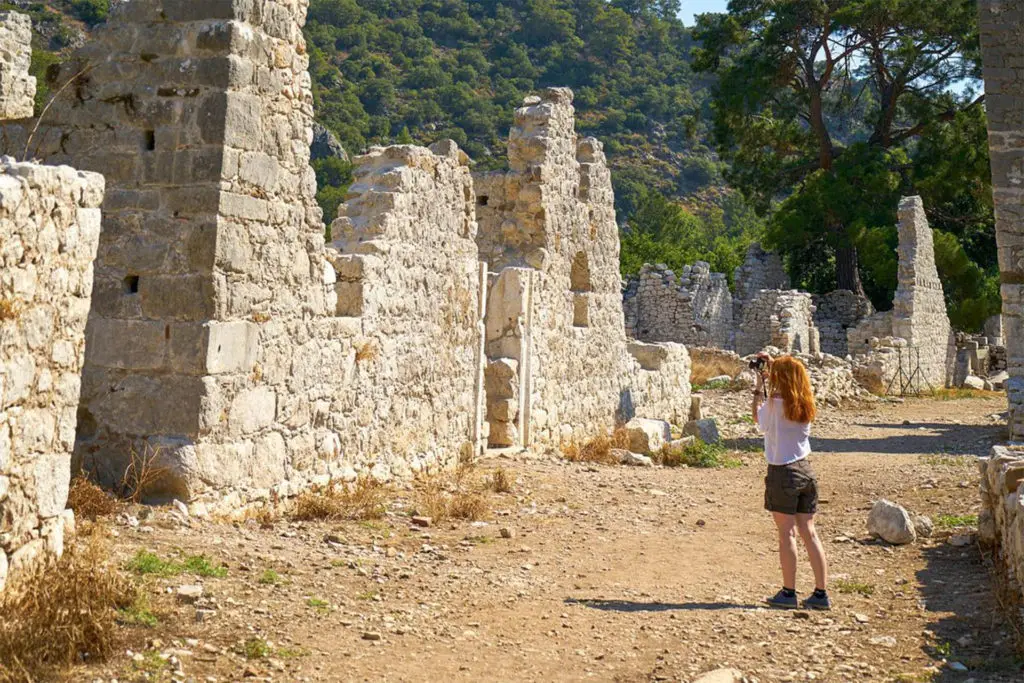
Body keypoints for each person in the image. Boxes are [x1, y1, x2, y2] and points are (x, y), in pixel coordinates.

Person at [751, 353, 830, 610]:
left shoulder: (773, 404)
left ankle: (788, 592)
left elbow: (758, 421)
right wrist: (775, 368)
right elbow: (785, 389)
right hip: (805, 469)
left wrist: (758, 386)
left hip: (782, 471)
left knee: (787, 534)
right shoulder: (805, 403)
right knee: (810, 532)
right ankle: (820, 594)